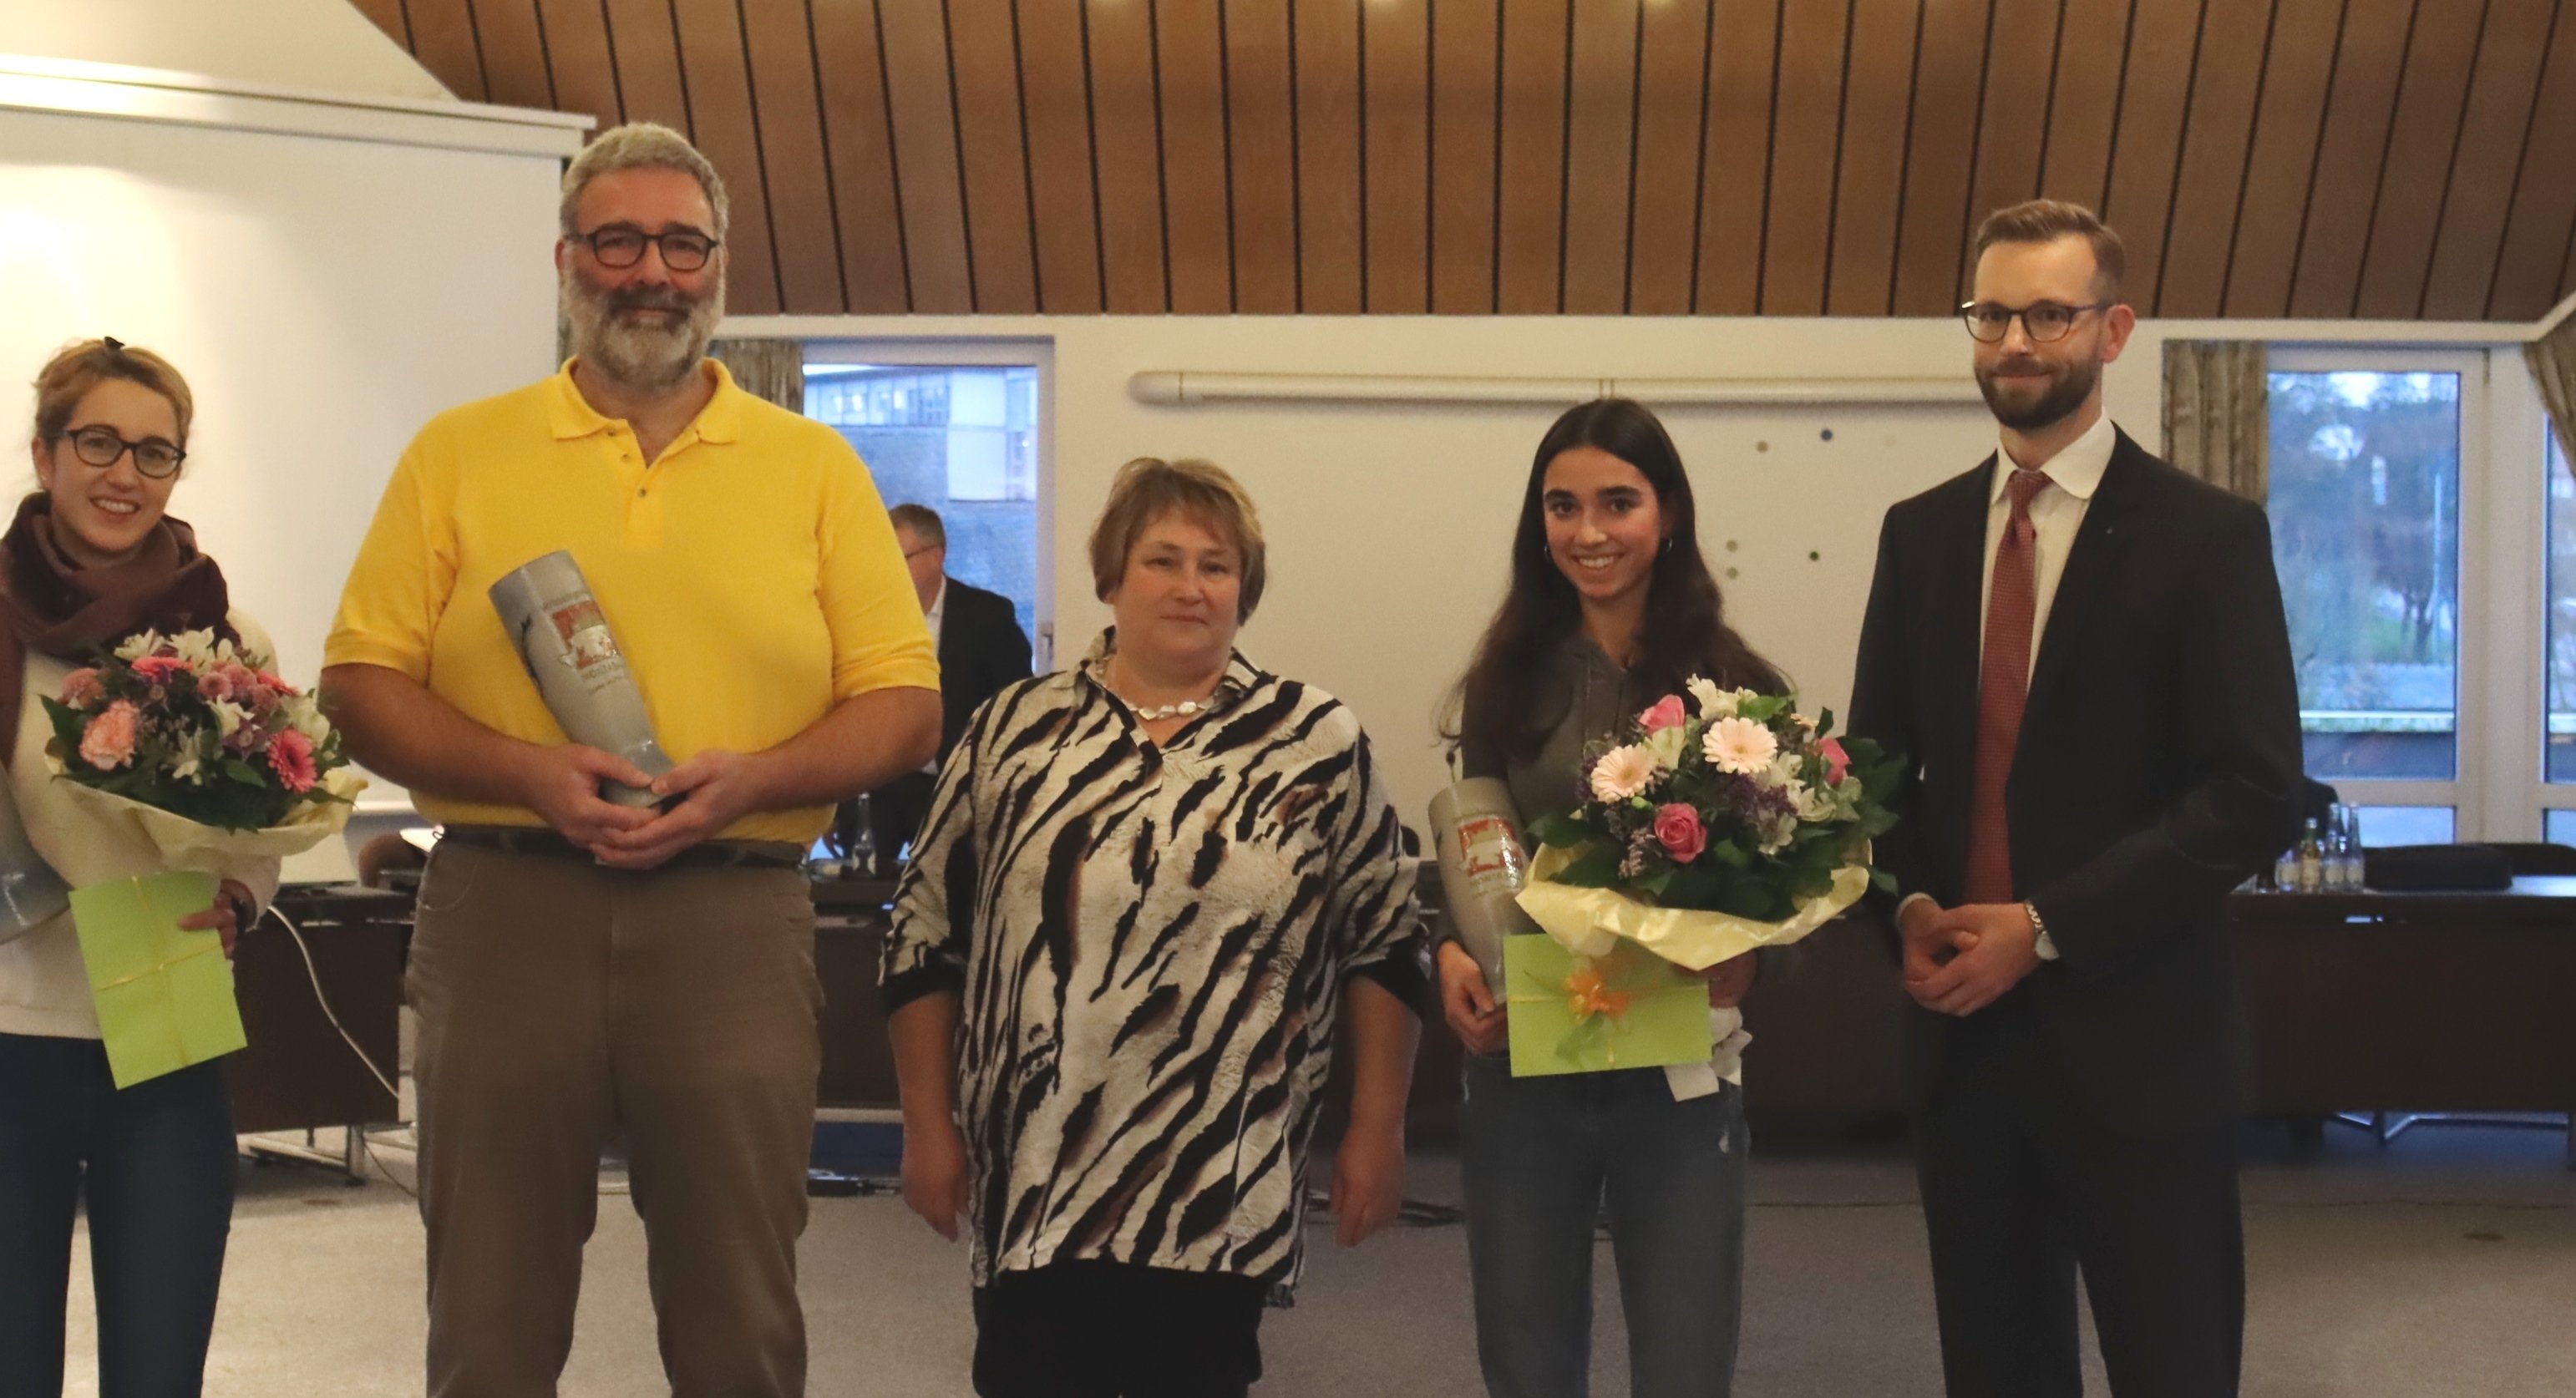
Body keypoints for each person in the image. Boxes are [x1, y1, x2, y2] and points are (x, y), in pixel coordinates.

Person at [319, 121, 940, 1398]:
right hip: (505, 905)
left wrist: (753, 780)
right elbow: (361, 688)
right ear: (566, 260)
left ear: (718, 268)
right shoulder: (457, 451)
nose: (650, 271)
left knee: (740, 1319)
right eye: (618, 240)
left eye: (680, 244)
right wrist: (527, 770)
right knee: (487, 1321)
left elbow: (903, 707)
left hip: (733, 912)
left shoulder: (815, 467)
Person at [1847, 200, 2303, 1398]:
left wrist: (2043, 926)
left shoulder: (2207, 538)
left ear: (2112, 329)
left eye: (2048, 312)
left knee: (2174, 1366)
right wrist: (1903, 913)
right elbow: (1872, 778)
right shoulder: (1920, 536)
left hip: (2142, 1051)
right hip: (1964, 1052)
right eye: (1991, 312)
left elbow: (2254, 790)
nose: (2014, 341)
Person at [882, 458, 1427, 1398]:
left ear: (1243, 590)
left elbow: (1384, 939)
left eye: (1216, 566)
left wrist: (1377, 1129)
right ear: (1110, 577)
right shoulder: (1015, 730)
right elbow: (922, 933)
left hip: (1221, 1175)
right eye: (1162, 560)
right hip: (1037, 1172)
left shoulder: (1315, 739)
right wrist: (927, 1126)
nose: (1189, 587)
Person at [0, 337, 272, 1398]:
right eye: (98, 441)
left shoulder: (227, 637)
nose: (125, 474)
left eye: (157, 453)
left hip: (169, 1036)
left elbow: (260, 834)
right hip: (3, 1047)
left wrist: (242, 894)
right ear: (45, 452)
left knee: (159, 1381)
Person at [1434, 399, 1784, 1398]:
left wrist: (1755, 959)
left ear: (1666, 512)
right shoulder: (1503, 683)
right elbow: (1476, 860)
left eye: (1616, 503)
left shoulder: (1736, 692)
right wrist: (1453, 960)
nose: (1587, 533)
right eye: (1561, 506)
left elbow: (1789, 886)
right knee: (1526, 1357)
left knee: (1684, 1358)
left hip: (1677, 1072)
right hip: (1525, 1065)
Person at [846, 504, 1034, 864]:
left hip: (955, 786)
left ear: (936, 556)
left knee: (951, 897)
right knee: (856, 892)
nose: (888, 570)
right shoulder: (868, 617)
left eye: (900, 557)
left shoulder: (987, 616)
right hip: (883, 784)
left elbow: (1015, 709)